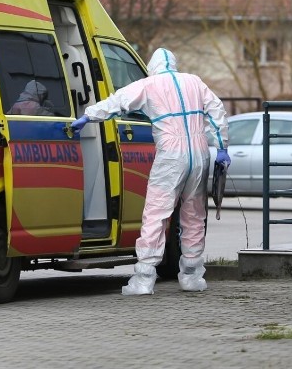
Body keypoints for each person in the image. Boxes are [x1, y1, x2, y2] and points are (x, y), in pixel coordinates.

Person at [70, 47, 230, 296]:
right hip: (200, 153)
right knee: (194, 215)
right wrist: (221, 147)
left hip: (170, 155)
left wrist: (88, 116)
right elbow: (217, 110)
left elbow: (117, 102)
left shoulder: (149, 84)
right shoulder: (194, 82)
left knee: (157, 214)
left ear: (152, 66)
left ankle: (144, 278)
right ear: (174, 64)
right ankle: (191, 275)